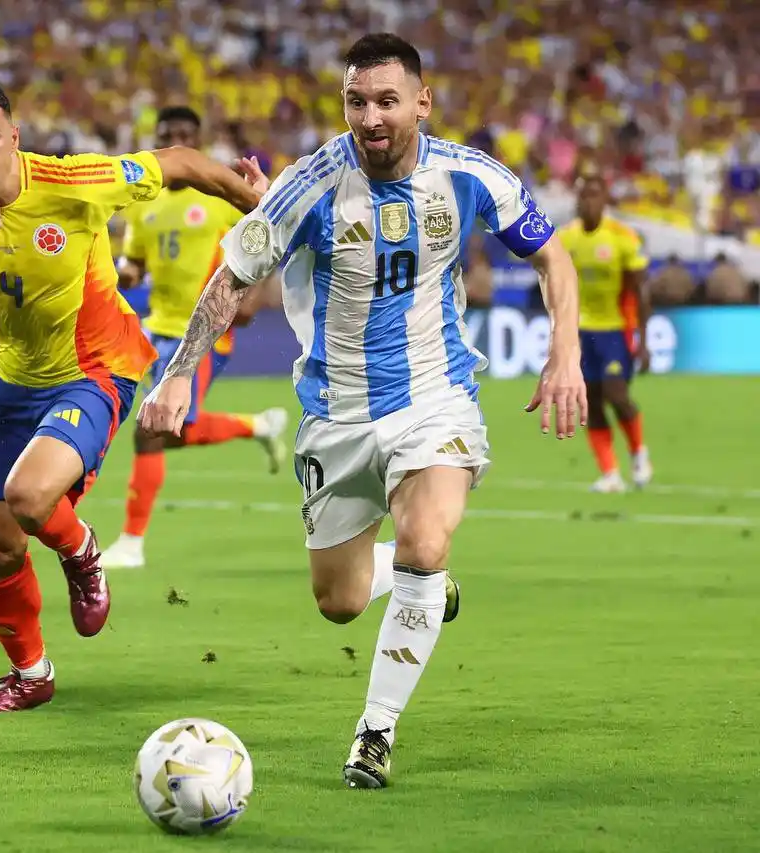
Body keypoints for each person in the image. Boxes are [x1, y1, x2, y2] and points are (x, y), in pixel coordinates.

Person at [138, 34, 587, 788]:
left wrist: (564, 348)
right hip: (337, 413)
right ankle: (421, 587)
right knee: (340, 600)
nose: (370, 116)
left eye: (385, 100)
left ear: (422, 101)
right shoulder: (309, 185)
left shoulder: (470, 176)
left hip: (435, 396)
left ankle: (374, 731)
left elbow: (552, 255)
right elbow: (231, 278)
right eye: (356, 101)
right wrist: (177, 374)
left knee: (426, 539)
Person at [0, 78, 264, 714]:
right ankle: (32, 674)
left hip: (95, 367)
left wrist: (256, 205)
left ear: (13, 138)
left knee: (28, 498)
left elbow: (180, 163)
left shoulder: (75, 180)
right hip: (12, 379)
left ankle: (81, 551)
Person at [100, 105, 288, 571]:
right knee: (168, 429)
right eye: (168, 134)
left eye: (185, 134)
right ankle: (257, 426)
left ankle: (131, 543)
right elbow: (136, 263)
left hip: (204, 332)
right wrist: (123, 275)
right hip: (156, 328)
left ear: (198, 138)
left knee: (152, 431)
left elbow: (273, 235)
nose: (177, 141)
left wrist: (256, 295)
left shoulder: (222, 193)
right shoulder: (145, 203)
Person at [558, 175, 652, 492]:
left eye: (594, 196)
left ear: (605, 200)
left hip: (615, 330)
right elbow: (557, 287)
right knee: (592, 403)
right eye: (583, 197)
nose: (588, 203)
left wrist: (644, 341)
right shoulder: (566, 238)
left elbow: (640, 293)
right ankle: (610, 474)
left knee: (616, 395)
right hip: (581, 333)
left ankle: (639, 452)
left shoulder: (622, 237)